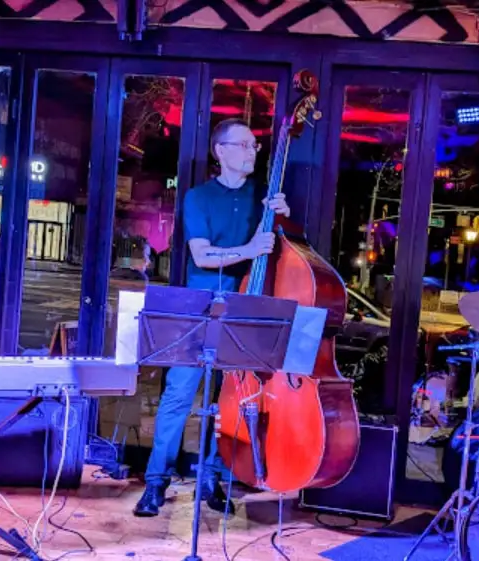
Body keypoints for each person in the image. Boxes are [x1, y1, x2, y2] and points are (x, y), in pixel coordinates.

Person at [133, 119, 289, 518]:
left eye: (256, 146)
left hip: (244, 308)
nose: (253, 152)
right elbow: (202, 256)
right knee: (178, 398)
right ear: (221, 152)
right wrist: (252, 248)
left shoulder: (263, 198)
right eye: (244, 145)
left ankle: (213, 479)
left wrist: (287, 220)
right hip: (199, 310)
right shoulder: (198, 197)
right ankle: (156, 483)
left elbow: (281, 250)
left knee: (231, 402)